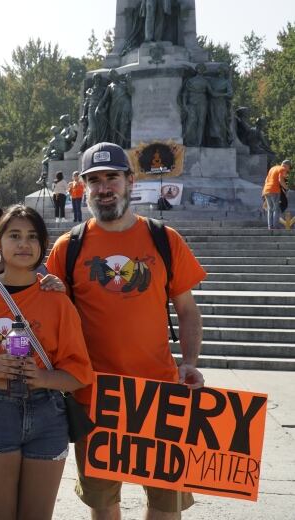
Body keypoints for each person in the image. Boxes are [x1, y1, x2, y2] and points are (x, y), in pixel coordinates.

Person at [46, 142, 207, 520]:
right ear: (84, 187)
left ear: (130, 181)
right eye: (95, 180)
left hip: (160, 395)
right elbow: (52, 321)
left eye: (112, 178)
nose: (104, 188)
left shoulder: (164, 240)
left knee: (166, 505)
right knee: (103, 506)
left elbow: (187, 311)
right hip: (94, 396)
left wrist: (190, 362)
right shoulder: (68, 248)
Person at [0, 204, 93, 520]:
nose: (24, 244)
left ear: (42, 246)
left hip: (48, 414)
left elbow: (79, 373)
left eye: (32, 236)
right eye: (15, 235)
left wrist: (44, 378)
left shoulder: (57, 300)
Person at [262, 159, 291, 230]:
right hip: (274, 190)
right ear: (286, 165)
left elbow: (266, 180)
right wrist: (287, 189)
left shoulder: (272, 168)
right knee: (276, 209)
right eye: (289, 167)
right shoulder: (282, 169)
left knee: (270, 209)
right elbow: (280, 180)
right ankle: (275, 226)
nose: (288, 170)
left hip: (266, 190)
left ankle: (270, 226)